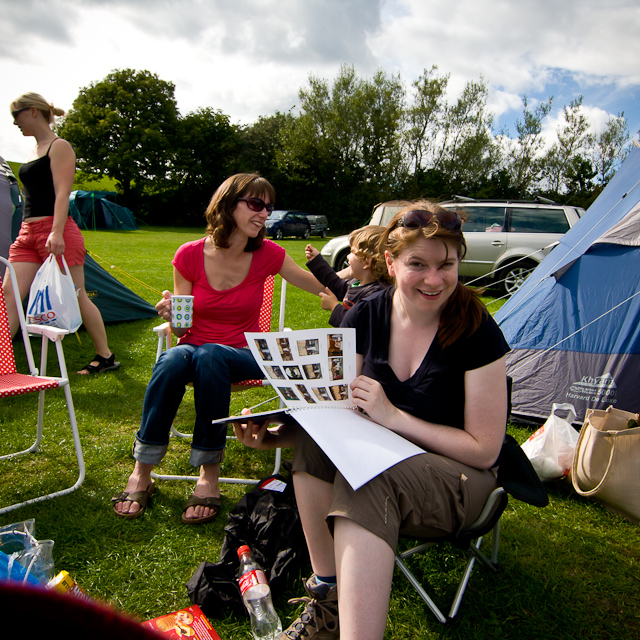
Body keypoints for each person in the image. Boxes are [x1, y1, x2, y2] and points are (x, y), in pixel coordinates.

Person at [234, 200, 510, 640]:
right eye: (417, 263)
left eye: (447, 264)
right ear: (391, 261)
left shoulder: (477, 329)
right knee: (313, 445)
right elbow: (337, 408)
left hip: (464, 478)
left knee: (371, 479)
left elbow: (484, 449)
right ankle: (329, 599)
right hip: (385, 454)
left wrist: (394, 416)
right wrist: (275, 439)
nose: (434, 279)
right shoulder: (368, 312)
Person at [112, 173, 325, 524]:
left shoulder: (269, 254)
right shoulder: (190, 254)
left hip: (246, 353)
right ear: (228, 204)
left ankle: (208, 475)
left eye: (268, 207)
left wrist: (359, 285)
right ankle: (142, 471)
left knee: (210, 355)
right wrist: (172, 313)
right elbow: (181, 329)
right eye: (256, 204)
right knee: (172, 358)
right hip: (195, 347)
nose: (264, 214)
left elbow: (315, 284)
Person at [4, 92, 118, 374]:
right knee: (8, 293)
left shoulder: (59, 146)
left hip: (57, 232)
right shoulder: (33, 150)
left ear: (32, 111)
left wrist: (55, 232)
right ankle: (4, 363)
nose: (14, 123)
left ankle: (105, 356)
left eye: (15, 115)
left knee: (77, 294)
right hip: (27, 233)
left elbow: (62, 192)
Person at [304, 225, 392, 327]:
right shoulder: (357, 284)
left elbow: (355, 326)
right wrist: (317, 261)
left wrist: (334, 307)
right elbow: (335, 284)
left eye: (352, 252)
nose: (348, 256)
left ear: (366, 262)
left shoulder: (376, 296)